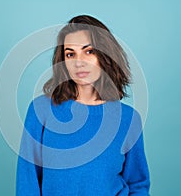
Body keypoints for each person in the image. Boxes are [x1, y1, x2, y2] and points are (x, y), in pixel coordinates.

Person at [16, 15, 150, 196]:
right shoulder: (41, 110)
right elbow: (27, 181)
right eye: (70, 54)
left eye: (89, 51)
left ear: (105, 55)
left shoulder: (128, 119)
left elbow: (138, 184)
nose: (79, 62)